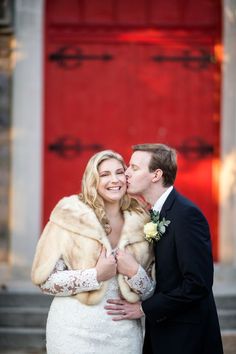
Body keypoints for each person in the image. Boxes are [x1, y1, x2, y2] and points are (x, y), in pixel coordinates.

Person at [31, 150, 155, 354]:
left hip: (123, 333)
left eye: (119, 172)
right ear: (92, 180)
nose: (114, 180)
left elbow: (152, 289)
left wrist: (135, 273)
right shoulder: (68, 216)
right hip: (72, 331)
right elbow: (46, 282)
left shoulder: (142, 221)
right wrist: (95, 275)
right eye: (104, 174)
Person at [105, 143, 223, 354]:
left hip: (186, 337)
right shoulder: (153, 214)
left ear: (156, 174)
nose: (126, 174)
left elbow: (197, 284)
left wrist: (143, 308)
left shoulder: (186, 215)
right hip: (161, 331)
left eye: (134, 168)